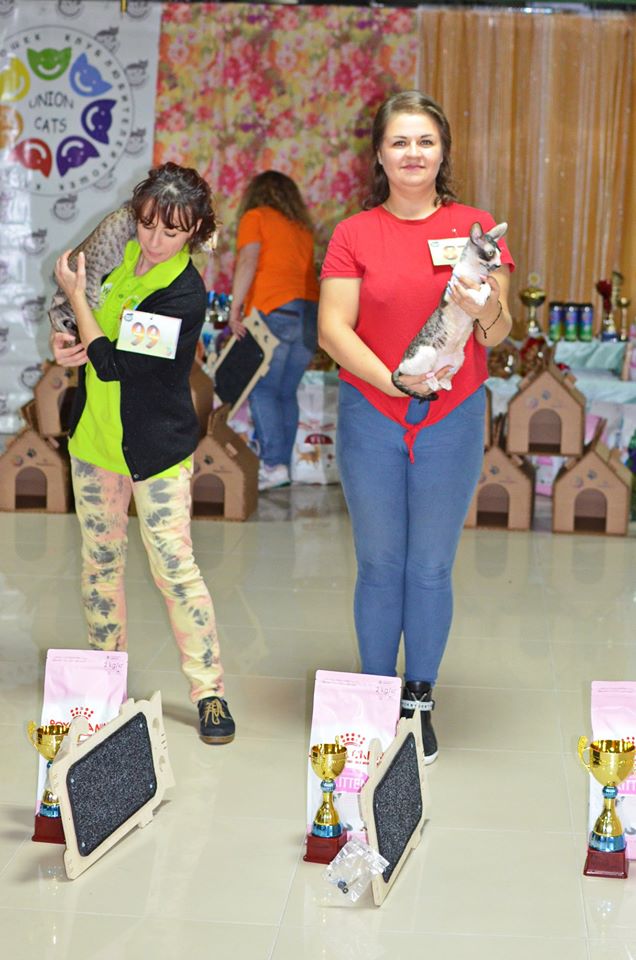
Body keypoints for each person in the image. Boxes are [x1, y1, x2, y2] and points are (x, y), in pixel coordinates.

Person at [318, 91, 515, 764]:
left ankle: (419, 699)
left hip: (450, 418)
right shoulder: (354, 233)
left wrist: (483, 307)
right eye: (399, 141)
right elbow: (333, 329)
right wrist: (392, 381)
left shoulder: (476, 226)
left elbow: (500, 330)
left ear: (443, 151)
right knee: (380, 564)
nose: (412, 153)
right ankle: (376, 694)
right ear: (379, 154)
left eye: (425, 141)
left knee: (429, 567)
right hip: (373, 412)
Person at [51, 162, 235, 746]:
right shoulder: (121, 257)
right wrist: (65, 342)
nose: (154, 241)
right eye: (147, 223)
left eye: (171, 231)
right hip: (94, 442)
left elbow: (114, 364)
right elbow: (88, 341)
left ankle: (208, 692)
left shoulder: (183, 294)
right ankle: (105, 683)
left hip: (155, 451)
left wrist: (76, 297)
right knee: (100, 567)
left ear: (194, 231)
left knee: (175, 570)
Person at [228, 171, 319, 491]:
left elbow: (248, 260)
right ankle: (282, 466)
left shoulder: (256, 217)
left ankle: (272, 464)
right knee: (285, 393)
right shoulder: (302, 228)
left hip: (273, 311)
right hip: (308, 316)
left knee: (262, 389)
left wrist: (235, 307)